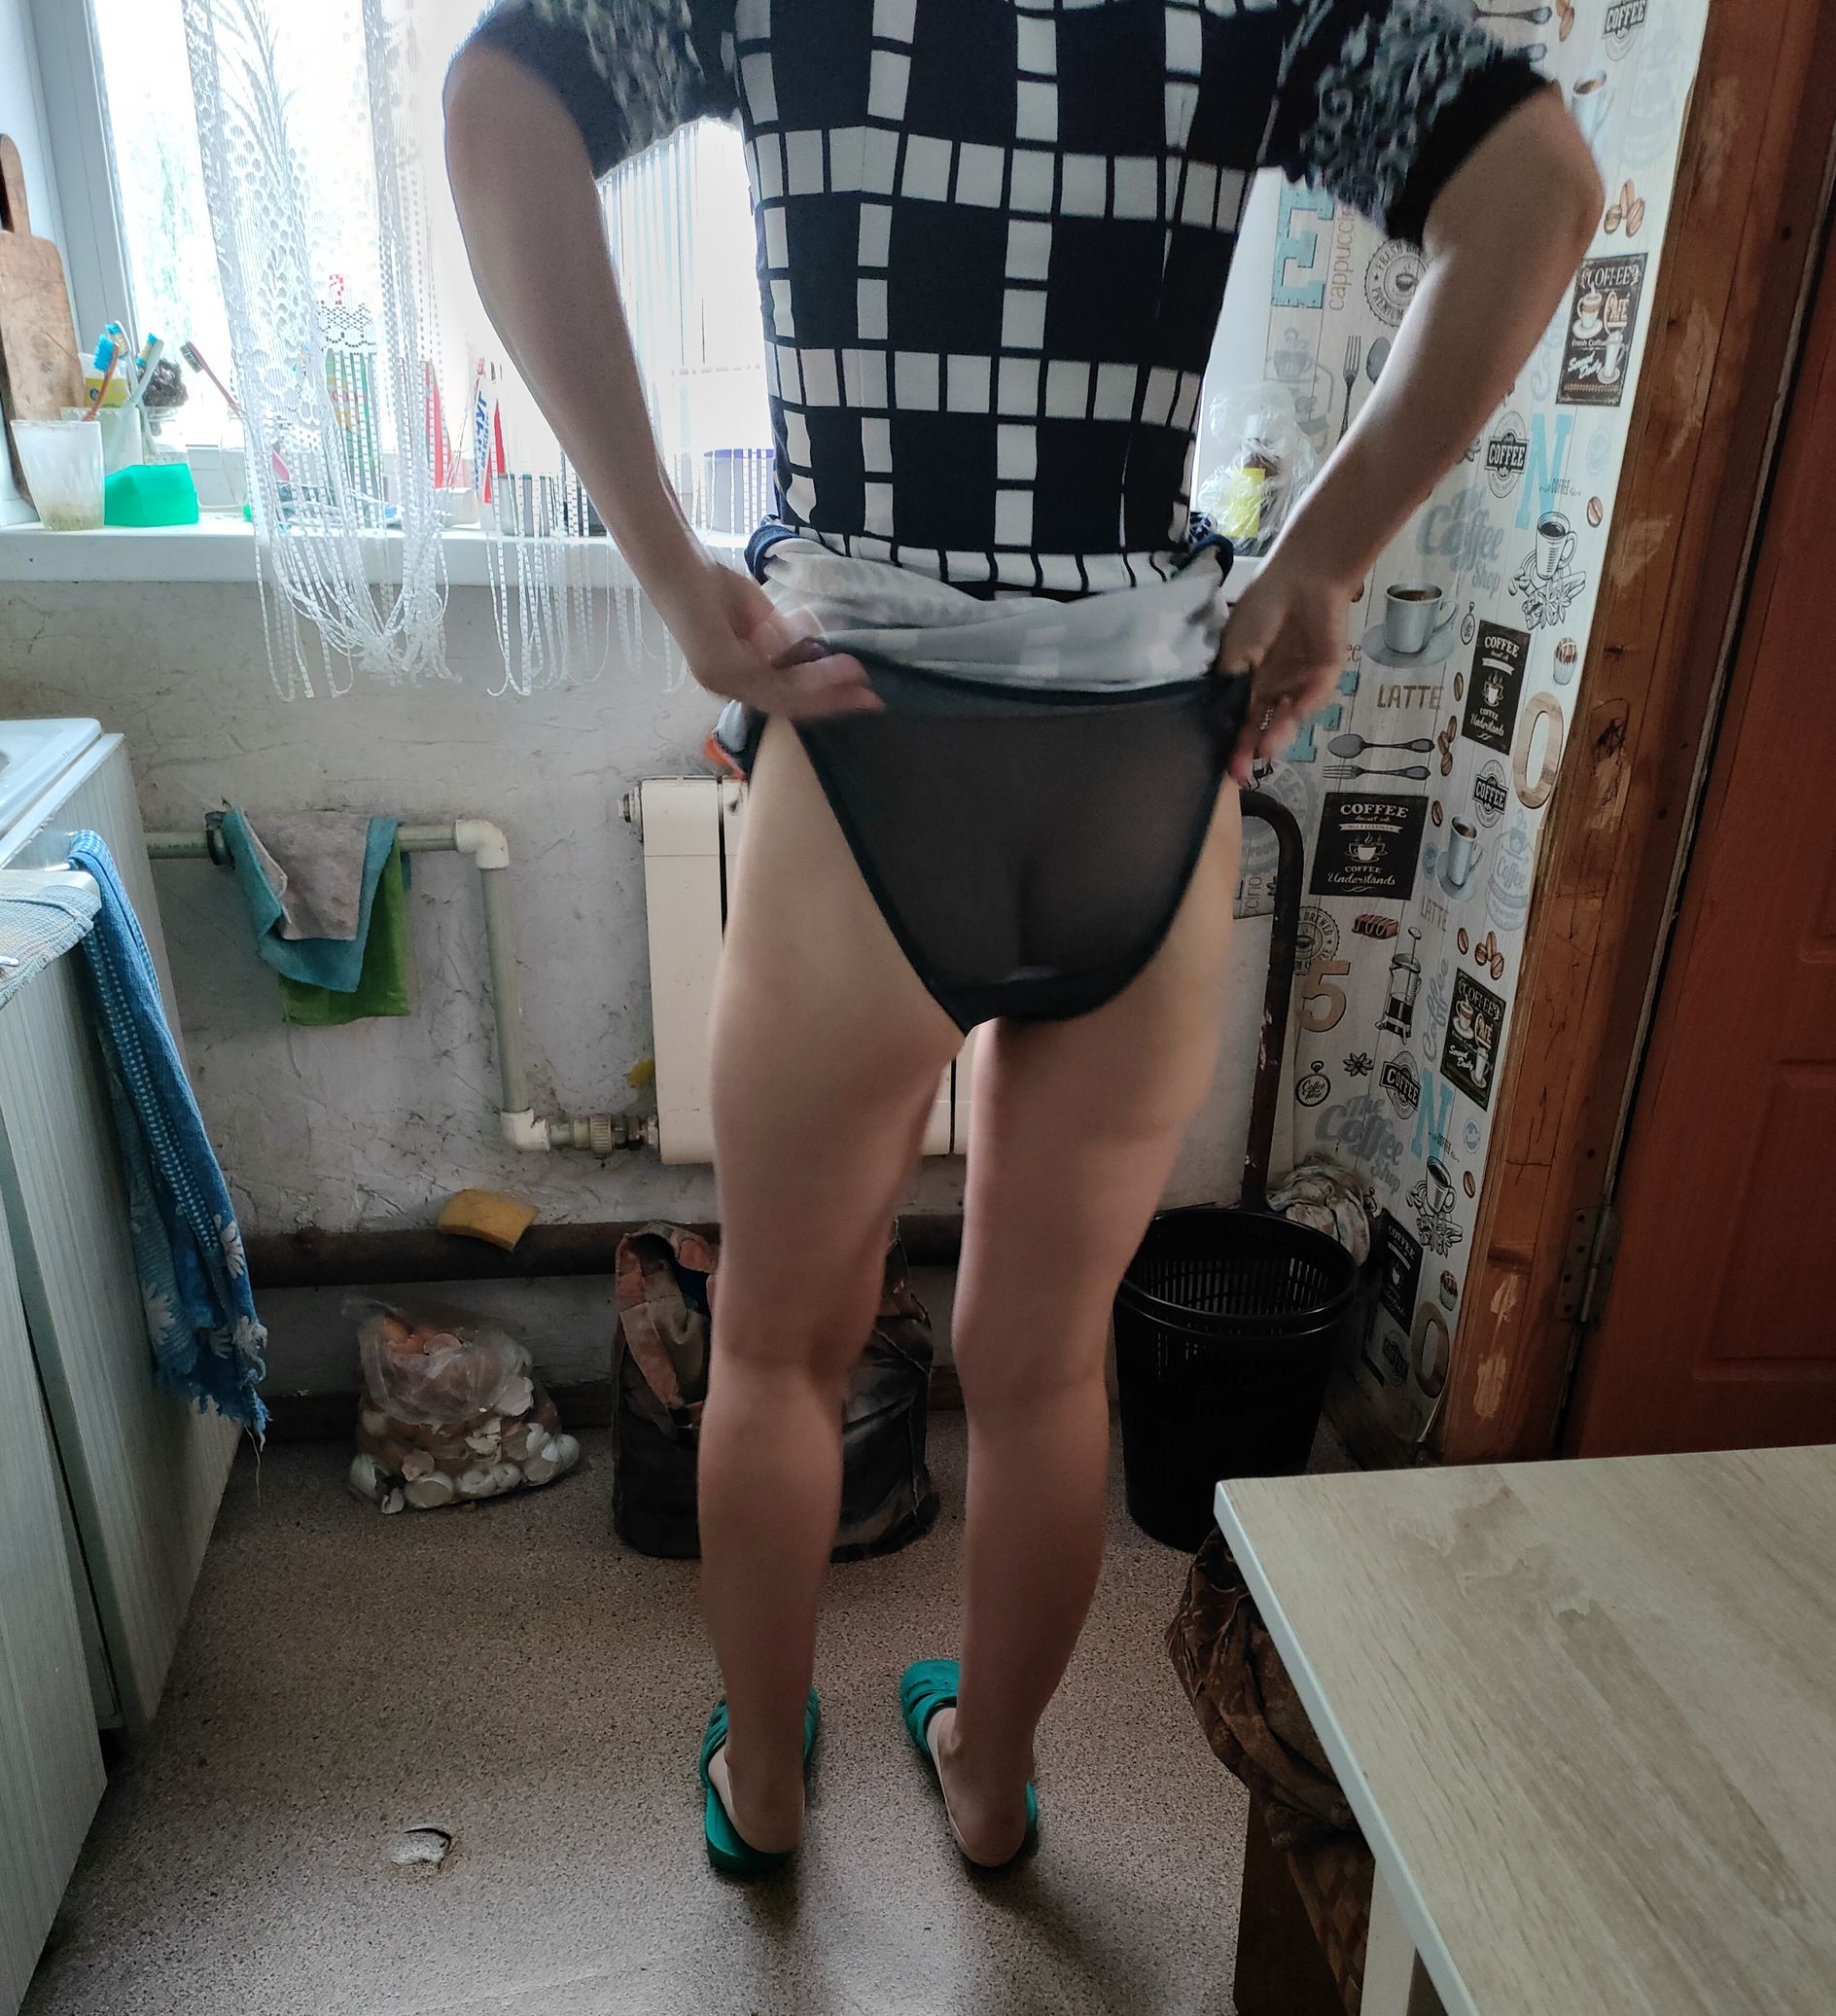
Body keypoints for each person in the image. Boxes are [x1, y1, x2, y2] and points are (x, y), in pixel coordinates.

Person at [445, 0, 1600, 1872]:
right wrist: (1320, 555)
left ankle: (765, 1789)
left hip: (868, 733)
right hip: (1147, 753)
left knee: (777, 1356)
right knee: (1049, 1364)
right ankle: (990, 1788)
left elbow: (503, 105)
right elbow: (1538, 186)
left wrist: (667, 560)